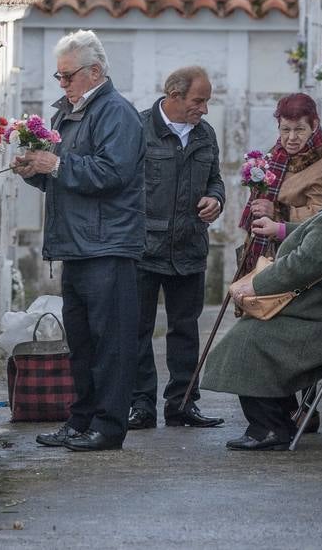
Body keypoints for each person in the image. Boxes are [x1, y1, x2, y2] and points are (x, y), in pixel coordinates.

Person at [200, 153, 322, 450]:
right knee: (255, 329)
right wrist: (280, 230)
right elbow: (319, 238)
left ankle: (269, 428)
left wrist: (255, 284)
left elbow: (303, 264)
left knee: (247, 339)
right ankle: (282, 417)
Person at [13, 29, 145, 452]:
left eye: (68, 76)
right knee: (82, 344)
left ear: (96, 72)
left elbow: (112, 174)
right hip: (77, 243)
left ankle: (108, 427)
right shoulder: (67, 113)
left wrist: (56, 163)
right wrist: (35, 170)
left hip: (108, 245)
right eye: (59, 76)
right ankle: (81, 419)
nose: (62, 83)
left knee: (111, 345)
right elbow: (63, 181)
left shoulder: (117, 114)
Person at [128, 66, 225, 431]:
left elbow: (215, 180)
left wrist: (216, 199)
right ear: (174, 95)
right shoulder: (138, 129)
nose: (203, 109)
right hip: (143, 248)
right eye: (198, 101)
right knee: (138, 330)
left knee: (185, 329)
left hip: (189, 247)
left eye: (206, 101)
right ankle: (141, 406)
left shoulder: (206, 136)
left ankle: (183, 404)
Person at [236, 93, 322, 277]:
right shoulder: (279, 152)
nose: (291, 138)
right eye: (285, 129)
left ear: (314, 125)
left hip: (294, 254)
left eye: (299, 129)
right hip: (264, 243)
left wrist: (276, 210)